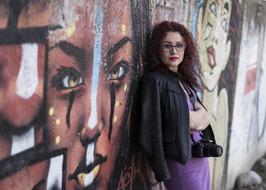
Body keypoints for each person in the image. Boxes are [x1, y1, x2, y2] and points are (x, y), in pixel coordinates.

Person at [139, 21, 211, 190]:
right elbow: (150, 131)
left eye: (179, 45)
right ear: (158, 49)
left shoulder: (184, 80)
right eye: (167, 46)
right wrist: (161, 171)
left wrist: (195, 118)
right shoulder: (154, 81)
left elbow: (204, 117)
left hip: (200, 156)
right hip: (180, 160)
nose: (174, 51)